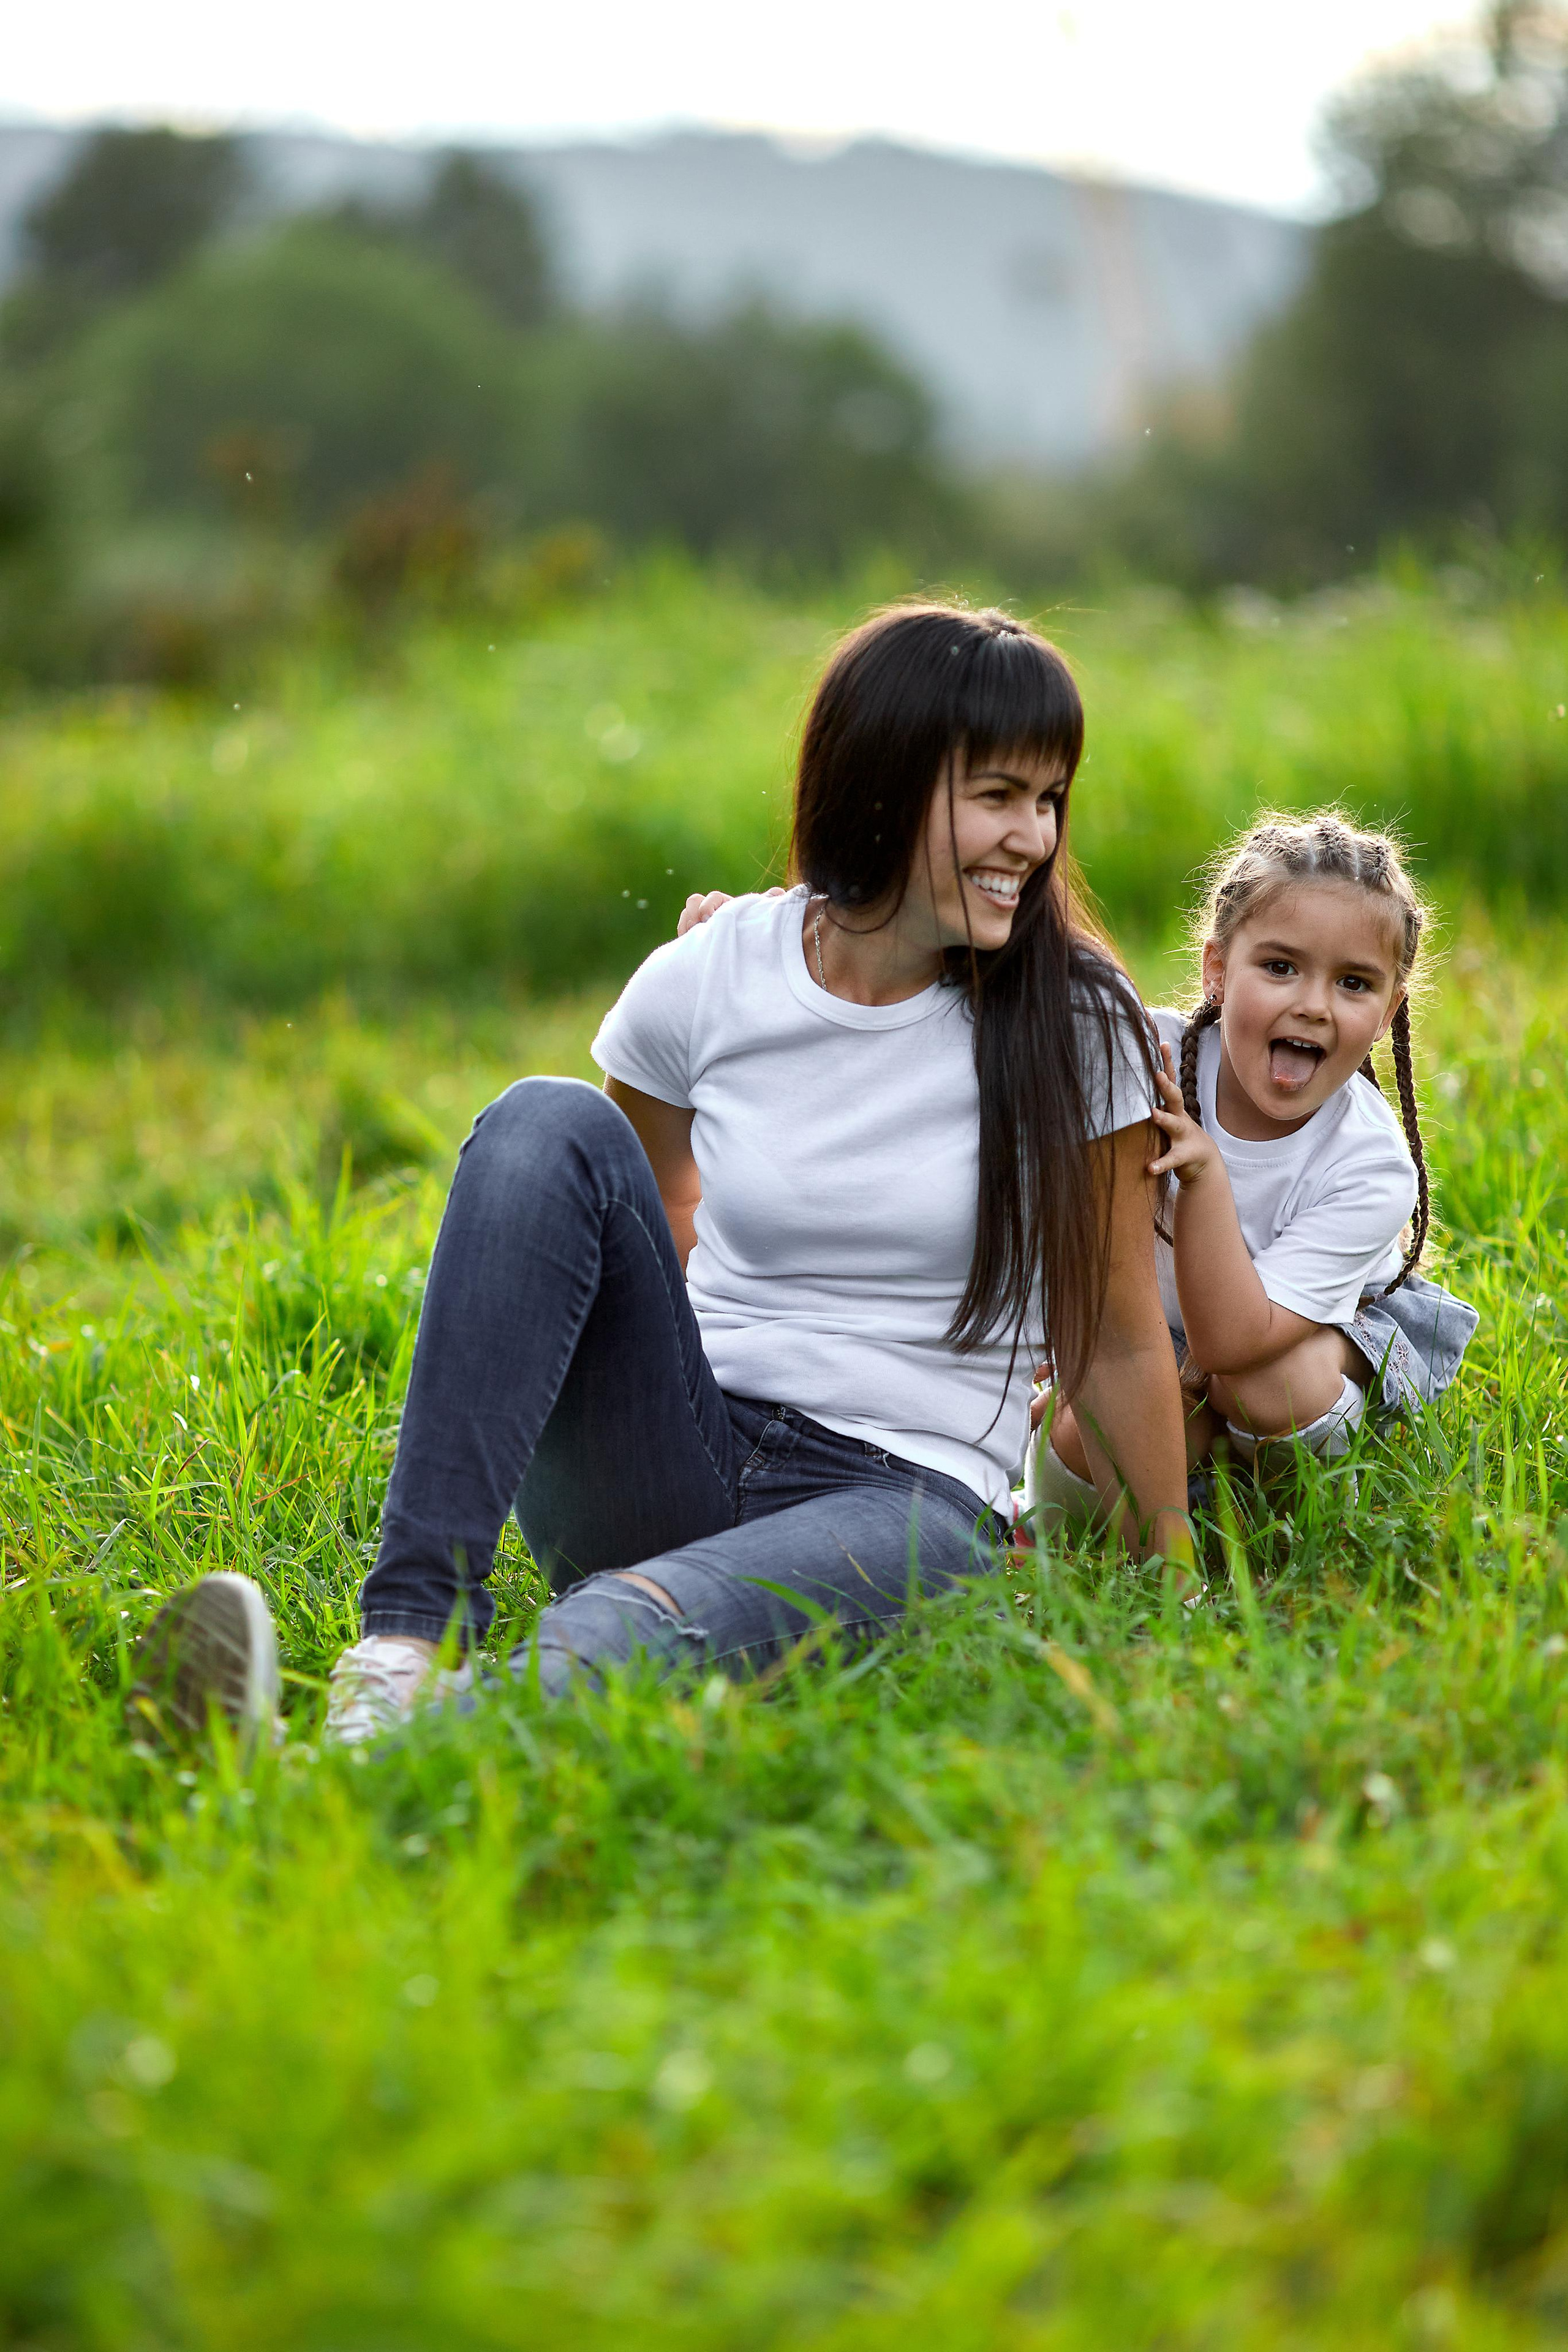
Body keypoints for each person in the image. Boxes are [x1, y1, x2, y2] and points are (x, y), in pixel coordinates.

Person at [139, 604, 1193, 1749]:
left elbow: (1114, 1337)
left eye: (1049, 800)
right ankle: (406, 1644)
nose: (1033, 838)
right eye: (998, 796)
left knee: (629, 1627)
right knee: (544, 1120)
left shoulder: (1073, 1021)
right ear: (884, 783)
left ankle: (329, 1763)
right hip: (683, 1442)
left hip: (907, 1502)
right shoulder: (716, 972)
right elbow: (639, 1211)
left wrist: (1177, 1590)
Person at [1027, 811, 1478, 1527]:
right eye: (1279, 967)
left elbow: (1232, 1341)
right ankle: (1202, 1488)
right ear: (1216, 971)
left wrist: (1204, 1179)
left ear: (1388, 1009)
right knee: (1090, 1443)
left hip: (1289, 1340)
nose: (1312, 1005)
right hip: (1155, 1334)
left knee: (1265, 1386)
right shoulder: (1141, 1059)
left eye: (1353, 982)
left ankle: (1290, 1516)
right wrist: (1064, 1342)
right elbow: (1055, 1212)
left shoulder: (1371, 1165)